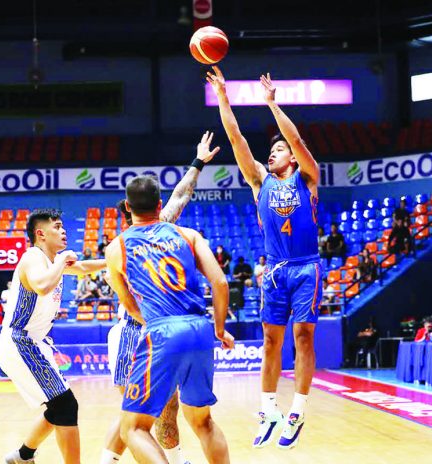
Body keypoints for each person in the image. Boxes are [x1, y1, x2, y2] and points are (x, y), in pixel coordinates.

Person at [208, 66, 321, 449]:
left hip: (306, 266)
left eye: (277, 150)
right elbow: (236, 137)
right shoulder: (260, 181)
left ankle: (298, 411)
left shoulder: (307, 177)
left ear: (290, 157)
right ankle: (269, 409)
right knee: (271, 343)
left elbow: (295, 138)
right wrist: (224, 96)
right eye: (270, 151)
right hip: (274, 270)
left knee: (303, 338)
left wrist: (271, 104)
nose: (271, 154)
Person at [101, 130, 221, 464]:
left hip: (160, 327)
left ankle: (177, 459)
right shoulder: (120, 246)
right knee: (134, 413)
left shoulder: (156, 231)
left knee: (165, 411)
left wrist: (197, 162)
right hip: (135, 329)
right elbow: (180, 195)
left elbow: (182, 194)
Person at [0, 209, 105, 464]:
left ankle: (22, 456)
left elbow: (82, 268)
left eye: (64, 226)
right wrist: (62, 259)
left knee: (58, 407)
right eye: (57, 227)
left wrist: (113, 260)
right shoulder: (32, 257)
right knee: (66, 405)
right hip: (19, 341)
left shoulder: (52, 261)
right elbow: (42, 285)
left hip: (34, 343)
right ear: (40, 234)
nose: (64, 231)